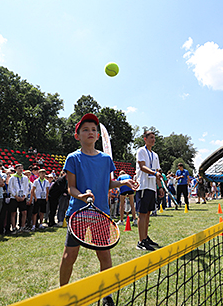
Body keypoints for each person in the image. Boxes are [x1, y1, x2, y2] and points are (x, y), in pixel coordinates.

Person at [59, 113, 138, 306]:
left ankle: (107, 294)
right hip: (78, 213)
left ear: (98, 135)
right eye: (85, 129)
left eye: (94, 129)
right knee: (70, 256)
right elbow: (71, 187)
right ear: (77, 135)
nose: (90, 132)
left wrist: (122, 182)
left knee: (104, 255)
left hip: (101, 214)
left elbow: (107, 183)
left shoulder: (105, 159)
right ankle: (62, 293)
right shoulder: (73, 158)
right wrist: (82, 196)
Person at [135, 130, 163, 251]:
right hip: (143, 186)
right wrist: (154, 172)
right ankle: (141, 241)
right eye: (151, 137)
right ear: (145, 139)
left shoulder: (155, 155)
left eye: (154, 138)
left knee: (148, 213)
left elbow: (158, 172)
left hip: (151, 187)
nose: (153, 140)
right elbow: (142, 166)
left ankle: (145, 238)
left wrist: (160, 187)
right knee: (142, 213)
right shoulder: (141, 151)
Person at [8, 164, 30, 232]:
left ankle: (22, 227)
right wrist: (15, 196)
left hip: (22, 197)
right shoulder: (12, 177)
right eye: (19, 168)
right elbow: (10, 188)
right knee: (13, 213)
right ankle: (14, 227)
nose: (20, 169)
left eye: (21, 168)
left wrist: (24, 196)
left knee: (24, 212)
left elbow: (27, 187)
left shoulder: (25, 178)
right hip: (14, 198)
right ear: (16, 169)